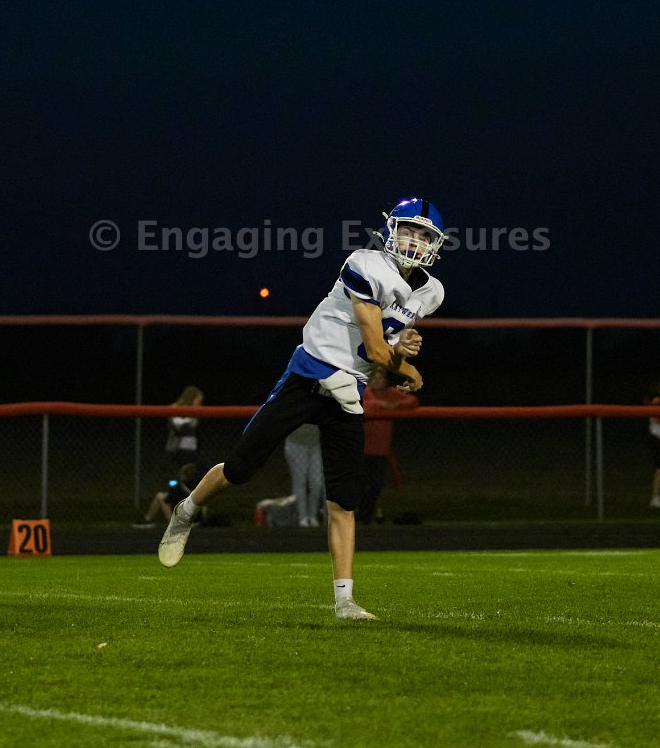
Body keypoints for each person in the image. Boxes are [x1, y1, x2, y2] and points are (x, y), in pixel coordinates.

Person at [157, 197, 446, 620]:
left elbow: (390, 337)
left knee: (343, 502)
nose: (415, 241)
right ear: (390, 231)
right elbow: (373, 347)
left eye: (424, 235)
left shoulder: (431, 291)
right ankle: (186, 511)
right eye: (408, 231)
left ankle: (345, 601)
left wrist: (402, 347)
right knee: (239, 469)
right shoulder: (366, 264)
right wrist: (406, 367)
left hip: (349, 390)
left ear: (435, 244)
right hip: (310, 373)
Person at [358, 365, 419, 524]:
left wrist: (396, 405)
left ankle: (364, 516)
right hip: (362, 449)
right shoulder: (365, 391)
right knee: (360, 485)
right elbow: (363, 405)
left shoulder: (391, 393)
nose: (377, 381)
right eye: (374, 378)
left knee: (376, 485)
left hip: (381, 450)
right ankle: (361, 516)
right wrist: (381, 405)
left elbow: (412, 401)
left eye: (381, 378)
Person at [133, 462, 199, 528]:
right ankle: (148, 519)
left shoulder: (180, 486)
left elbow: (168, 499)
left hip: (185, 519)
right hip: (194, 517)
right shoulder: (197, 485)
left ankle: (148, 519)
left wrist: (170, 491)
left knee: (160, 496)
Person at [283, 424, 325, 526]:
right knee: (299, 482)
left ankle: (312, 515)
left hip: (315, 444)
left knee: (317, 483)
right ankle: (302, 517)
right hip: (296, 443)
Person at [165, 385, 205, 469]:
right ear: (191, 398)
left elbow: (192, 425)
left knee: (201, 467)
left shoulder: (195, 411)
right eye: (198, 401)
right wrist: (190, 417)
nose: (199, 404)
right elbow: (178, 427)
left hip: (193, 447)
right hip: (177, 447)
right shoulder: (175, 407)